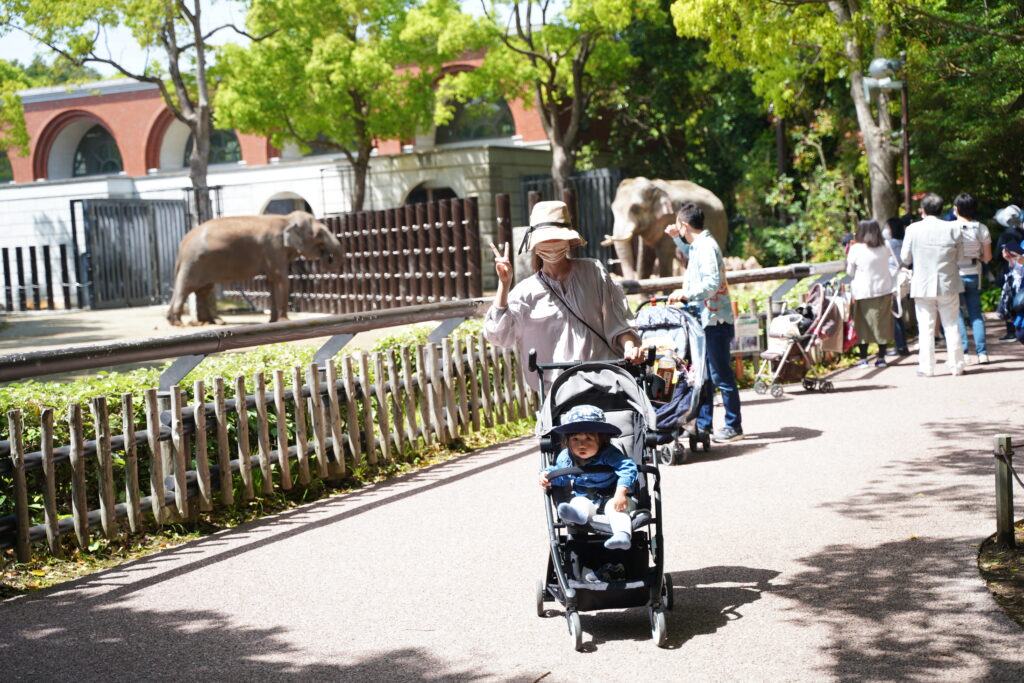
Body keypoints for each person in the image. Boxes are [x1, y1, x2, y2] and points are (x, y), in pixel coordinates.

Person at [484, 201, 647, 390]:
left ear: (569, 241)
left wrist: (629, 347)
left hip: (606, 380)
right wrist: (504, 285)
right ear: (535, 245)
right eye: (545, 240)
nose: (552, 246)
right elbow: (499, 336)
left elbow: (619, 322)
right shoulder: (524, 292)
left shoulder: (593, 271)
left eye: (557, 239)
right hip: (559, 391)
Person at [665, 202, 743, 443]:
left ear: (684, 224)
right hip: (705, 321)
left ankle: (733, 426)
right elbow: (691, 255)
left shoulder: (706, 246)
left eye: (679, 224)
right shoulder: (699, 245)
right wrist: (677, 240)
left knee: (720, 375)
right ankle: (704, 424)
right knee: (704, 376)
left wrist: (686, 294)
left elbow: (711, 284)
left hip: (715, 320)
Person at [539, 404, 638, 551]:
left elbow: (628, 467)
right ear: (567, 440)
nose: (581, 445)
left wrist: (621, 492)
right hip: (588, 501)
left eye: (588, 438)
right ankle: (577, 515)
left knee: (615, 509)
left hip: (614, 498)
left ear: (602, 439)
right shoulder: (567, 457)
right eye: (575, 439)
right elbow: (562, 476)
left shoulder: (609, 453)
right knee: (578, 501)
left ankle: (622, 536)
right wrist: (548, 476)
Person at [901, 193, 965, 376]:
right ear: (942, 208)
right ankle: (957, 365)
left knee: (926, 326)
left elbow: (905, 258)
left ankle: (927, 368)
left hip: (922, 283)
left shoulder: (913, 229)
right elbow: (960, 256)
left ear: (922, 210)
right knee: (951, 324)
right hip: (948, 282)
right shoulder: (954, 228)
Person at [846, 219, 894, 367]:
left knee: (862, 325)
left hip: (863, 292)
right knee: (883, 324)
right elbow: (893, 264)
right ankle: (881, 358)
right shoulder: (885, 246)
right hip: (884, 290)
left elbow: (850, 272)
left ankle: (864, 359)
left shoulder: (856, 249)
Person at [952, 193, 992, 364]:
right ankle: (982, 353)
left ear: (956, 209)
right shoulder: (981, 228)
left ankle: (965, 353)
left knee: (958, 315)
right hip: (974, 272)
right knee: (976, 314)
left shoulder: (950, 228)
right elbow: (987, 257)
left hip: (955, 274)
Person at [993, 204, 1024, 342]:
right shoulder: (1021, 235)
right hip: (1018, 272)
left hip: (1011, 273)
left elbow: (996, 256)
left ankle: (1010, 330)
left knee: (1009, 299)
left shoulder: (1006, 235)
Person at [884, 216, 912, 356]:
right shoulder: (904, 242)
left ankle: (900, 346)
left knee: (895, 315)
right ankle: (903, 345)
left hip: (892, 282)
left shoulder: (889, 244)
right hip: (903, 281)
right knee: (899, 314)